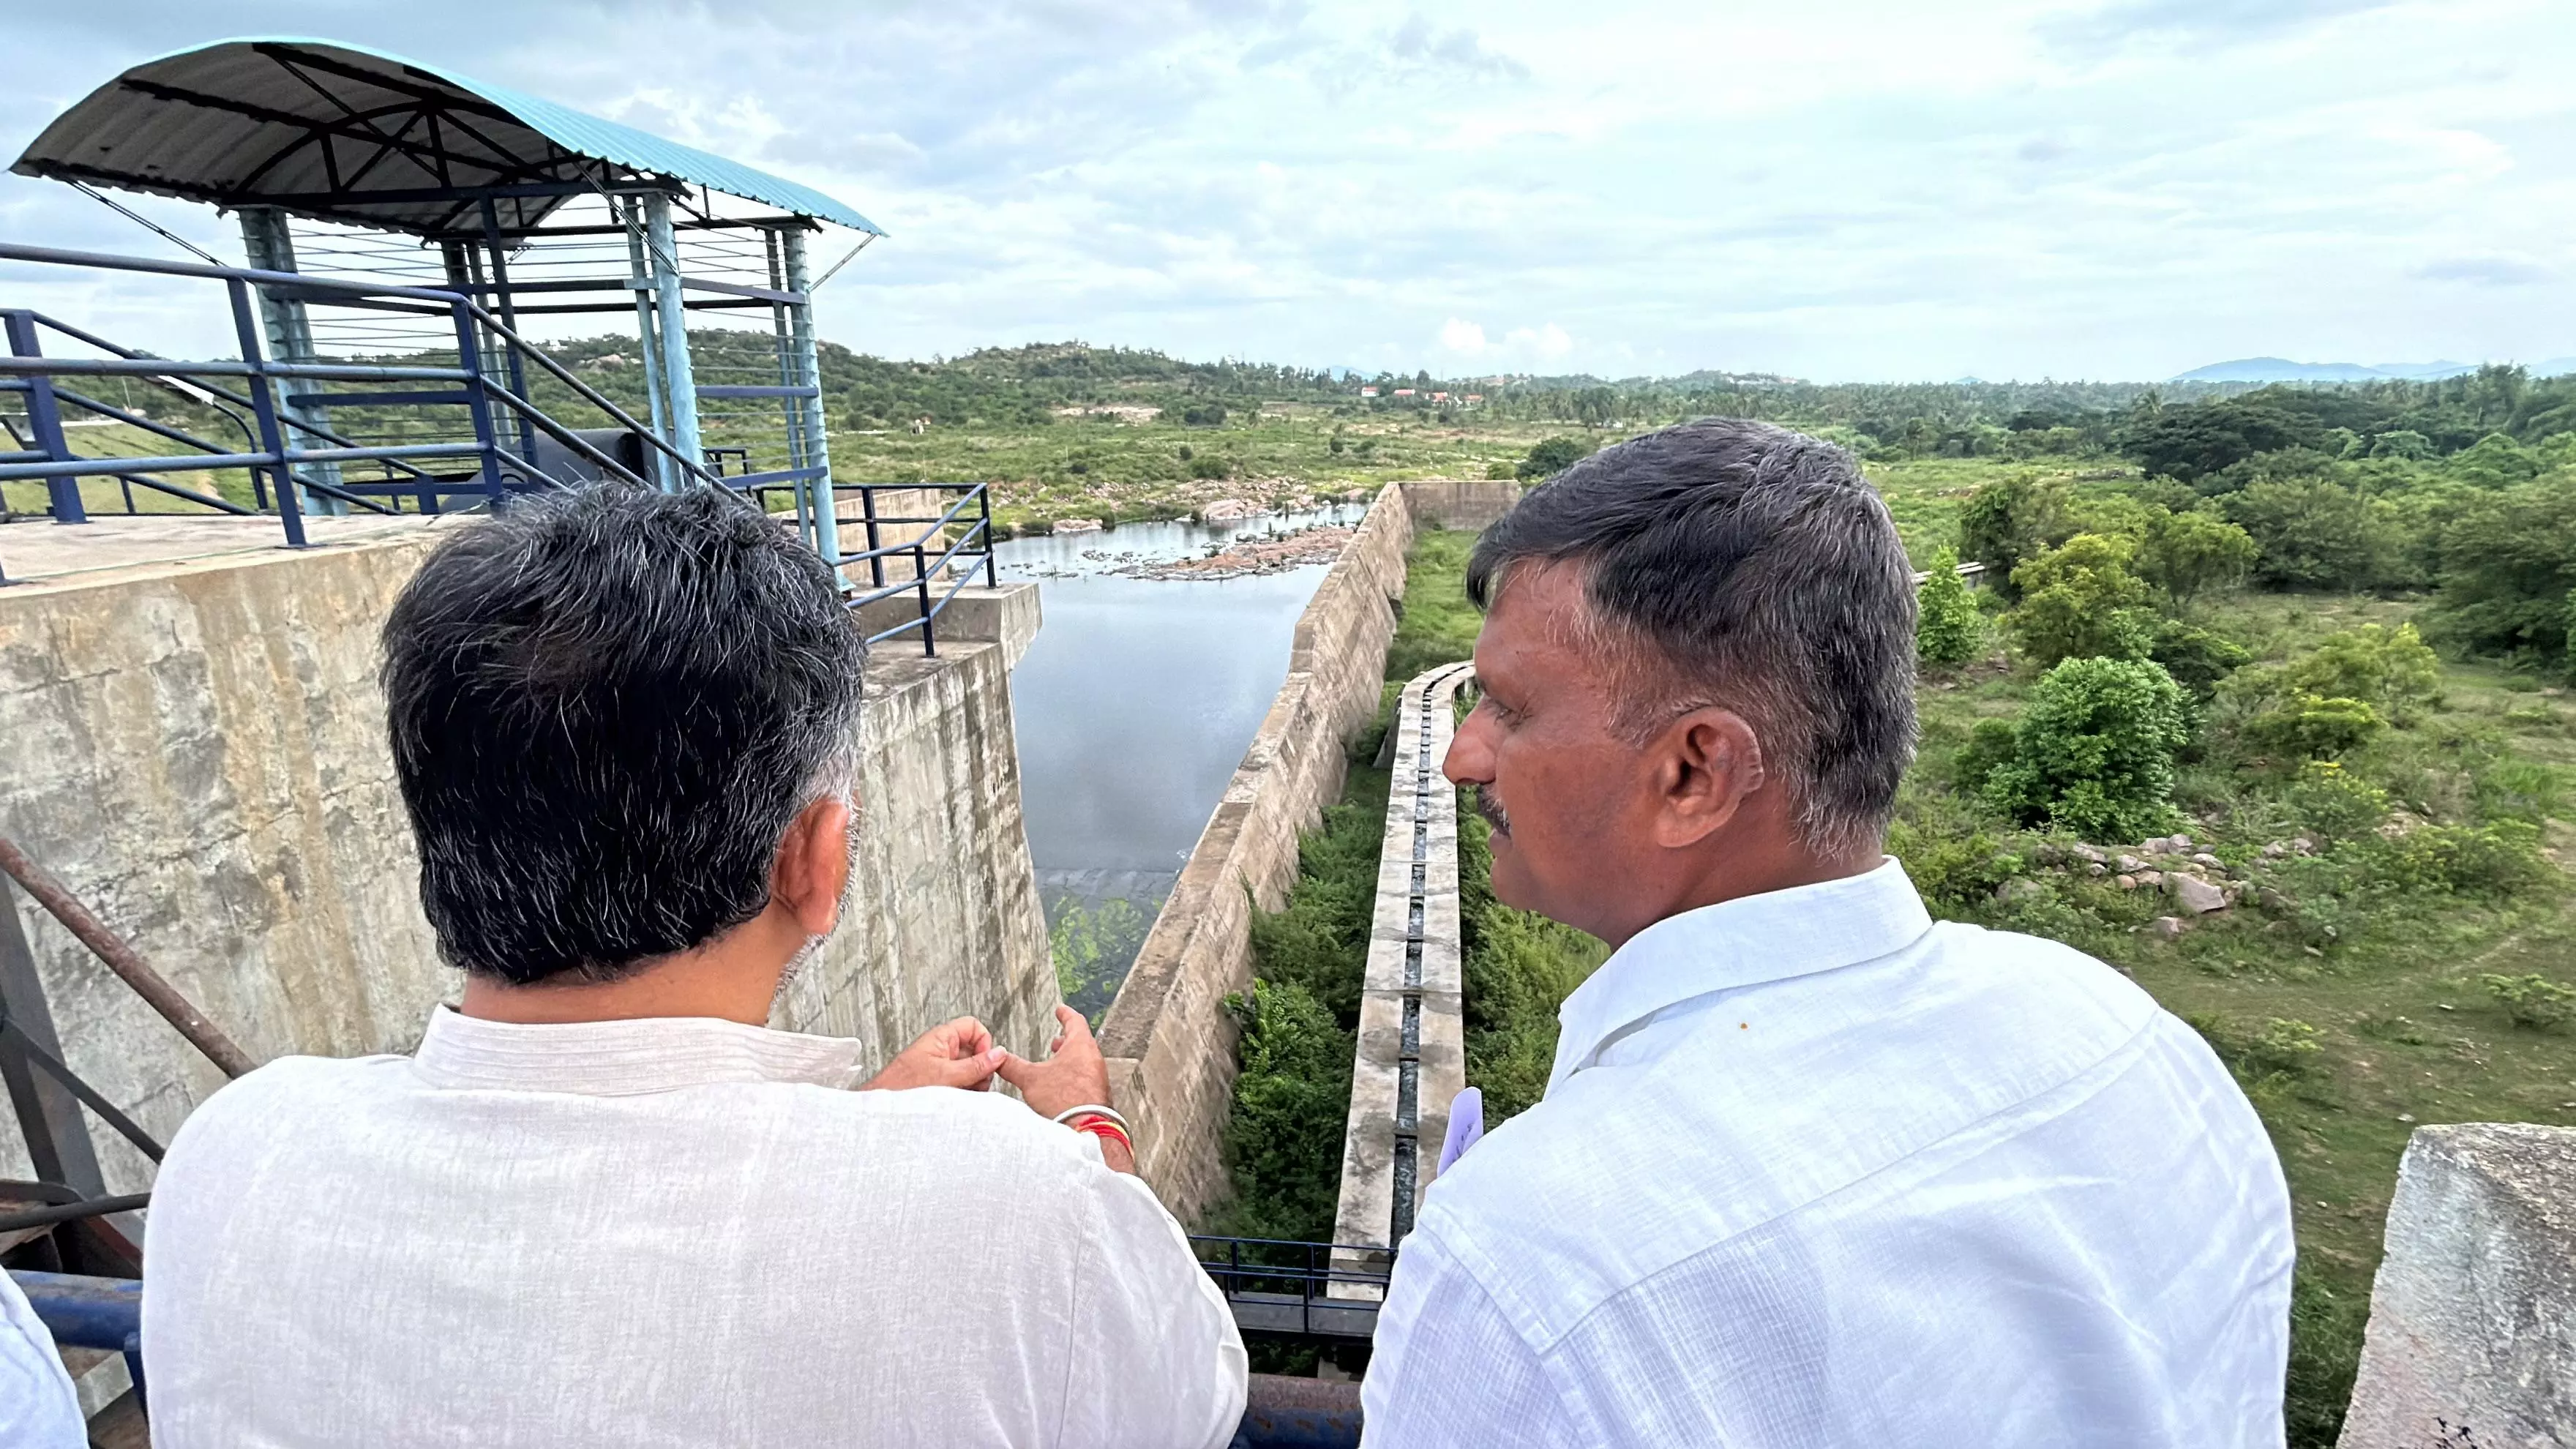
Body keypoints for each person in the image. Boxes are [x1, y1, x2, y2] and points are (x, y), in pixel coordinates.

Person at [141, 485, 1246, 1448]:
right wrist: (1087, 1131)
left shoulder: (237, 1154)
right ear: (816, 861)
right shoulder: (1023, 1216)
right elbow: (1194, 1400)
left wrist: (864, 1125)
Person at [1360, 420, 2294, 1445]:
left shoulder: (1530, 1264)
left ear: (1694, 774)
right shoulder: (2127, 1035)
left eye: (1506, 709)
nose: (1462, 757)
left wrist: (1497, 1232)